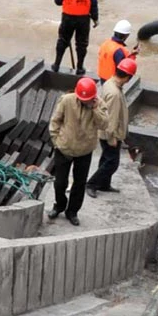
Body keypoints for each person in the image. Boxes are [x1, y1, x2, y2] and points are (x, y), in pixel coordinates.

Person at [48, 77, 108, 225]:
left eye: (88, 100)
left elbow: (104, 124)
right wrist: (57, 141)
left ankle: (72, 211)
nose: (85, 102)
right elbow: (55, 121)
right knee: (60, 182)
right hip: (64, 149)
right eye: (83, 100)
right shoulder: (67, 100)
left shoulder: (99, 104)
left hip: (84, 151)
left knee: (79, 183)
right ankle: (59, 205)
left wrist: (94, 109)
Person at [87, 58, 136, 196]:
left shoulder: (109, 83)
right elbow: (112, 118)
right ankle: (92, 184)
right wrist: (111, 137)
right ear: (128, 77)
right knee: (112, 163)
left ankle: (104, 184)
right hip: (110, 133)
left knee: (106, 159)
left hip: (106, 131)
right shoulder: (114, 94)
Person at [52, 0, 98, 75]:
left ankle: (56, 65)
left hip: (67, 18)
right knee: (81, 44)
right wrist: (95, 20)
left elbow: (57, 1)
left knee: (62, 41)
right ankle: (80, 68)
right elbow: (93, 7)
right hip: (83, 21)